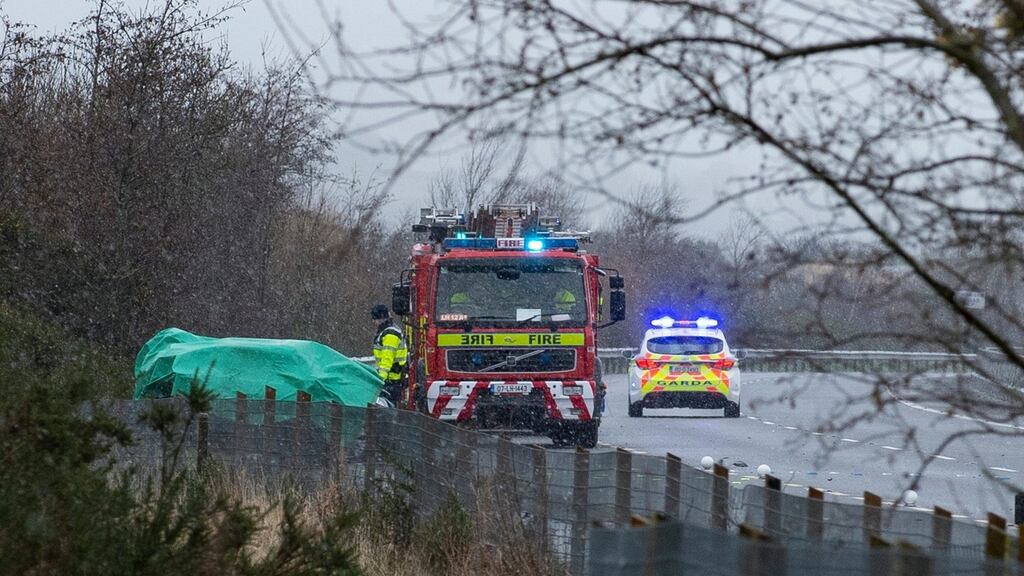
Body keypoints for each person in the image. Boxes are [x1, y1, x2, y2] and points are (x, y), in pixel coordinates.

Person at [371, 304, 408, 404]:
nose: (374, 322)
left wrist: (380, 379)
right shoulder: (389, 331)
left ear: (380, 319)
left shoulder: (390, 334)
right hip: (393, 378)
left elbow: (387, 358)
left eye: (375, 319)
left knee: (387, 406)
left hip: (392, 379)